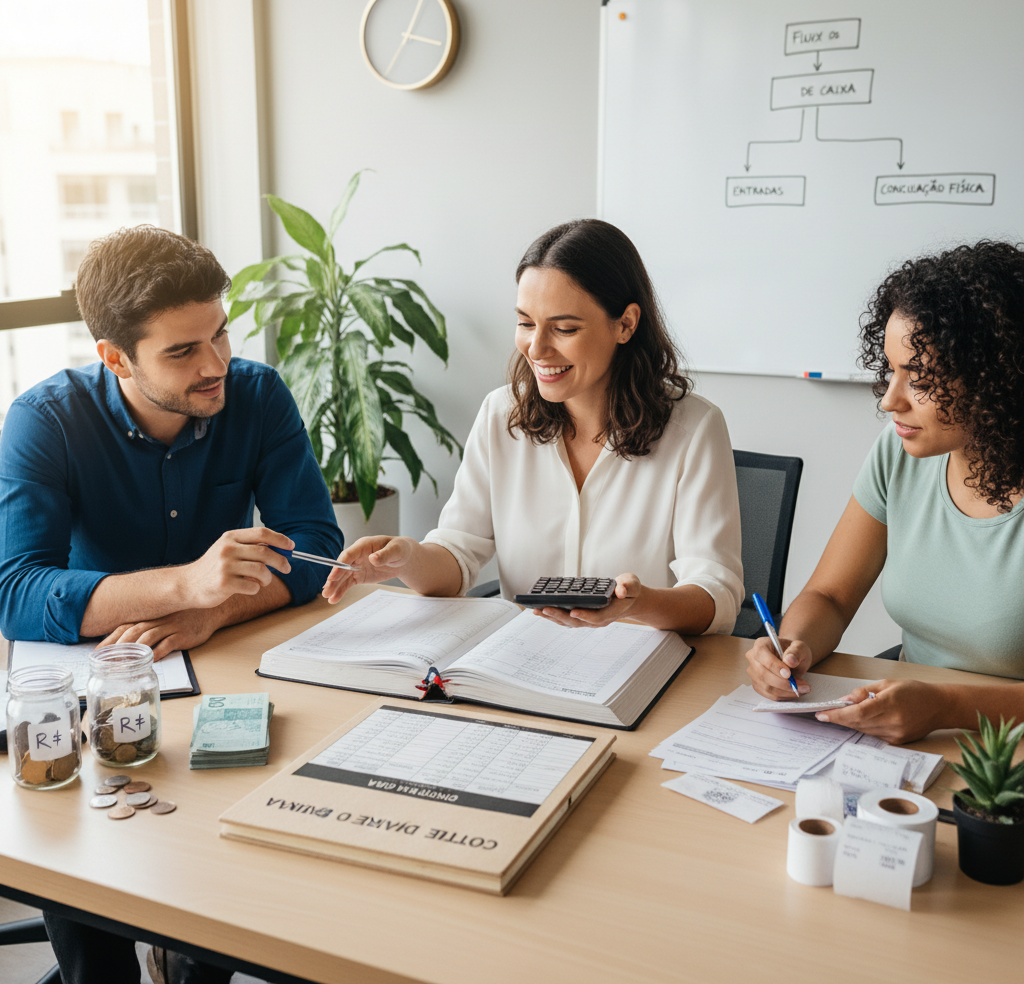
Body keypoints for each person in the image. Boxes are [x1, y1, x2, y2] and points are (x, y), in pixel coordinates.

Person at [0, 225, 342, 984]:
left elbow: (317, 547)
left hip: (221, 676)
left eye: (219, 334)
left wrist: (211, 611)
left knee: (220, 904)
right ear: (115, 357)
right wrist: (185, 583)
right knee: (92, 925)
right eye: (182, 351)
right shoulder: (45, 420)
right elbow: (16, 590)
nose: (216, 364)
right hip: (99, 686)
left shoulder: (257, 396)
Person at [323, 218, 744, 637]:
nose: (536, 349)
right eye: (526, 323)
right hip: (522, 663)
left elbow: (717, 596)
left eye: (564, 328)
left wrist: (641, 604)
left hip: (643, 670)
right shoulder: (500, 414)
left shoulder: (695, 429)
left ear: (626, 324)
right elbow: (457, 555)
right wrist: (406, 559)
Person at [746, 240, 1024, 744]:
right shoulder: (899, 452)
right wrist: (792, 646)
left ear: (996, 377)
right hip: (913, 727)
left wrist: (946, 706)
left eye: (917, 377)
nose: (890, 401)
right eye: (890, 370)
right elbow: (830, 596)